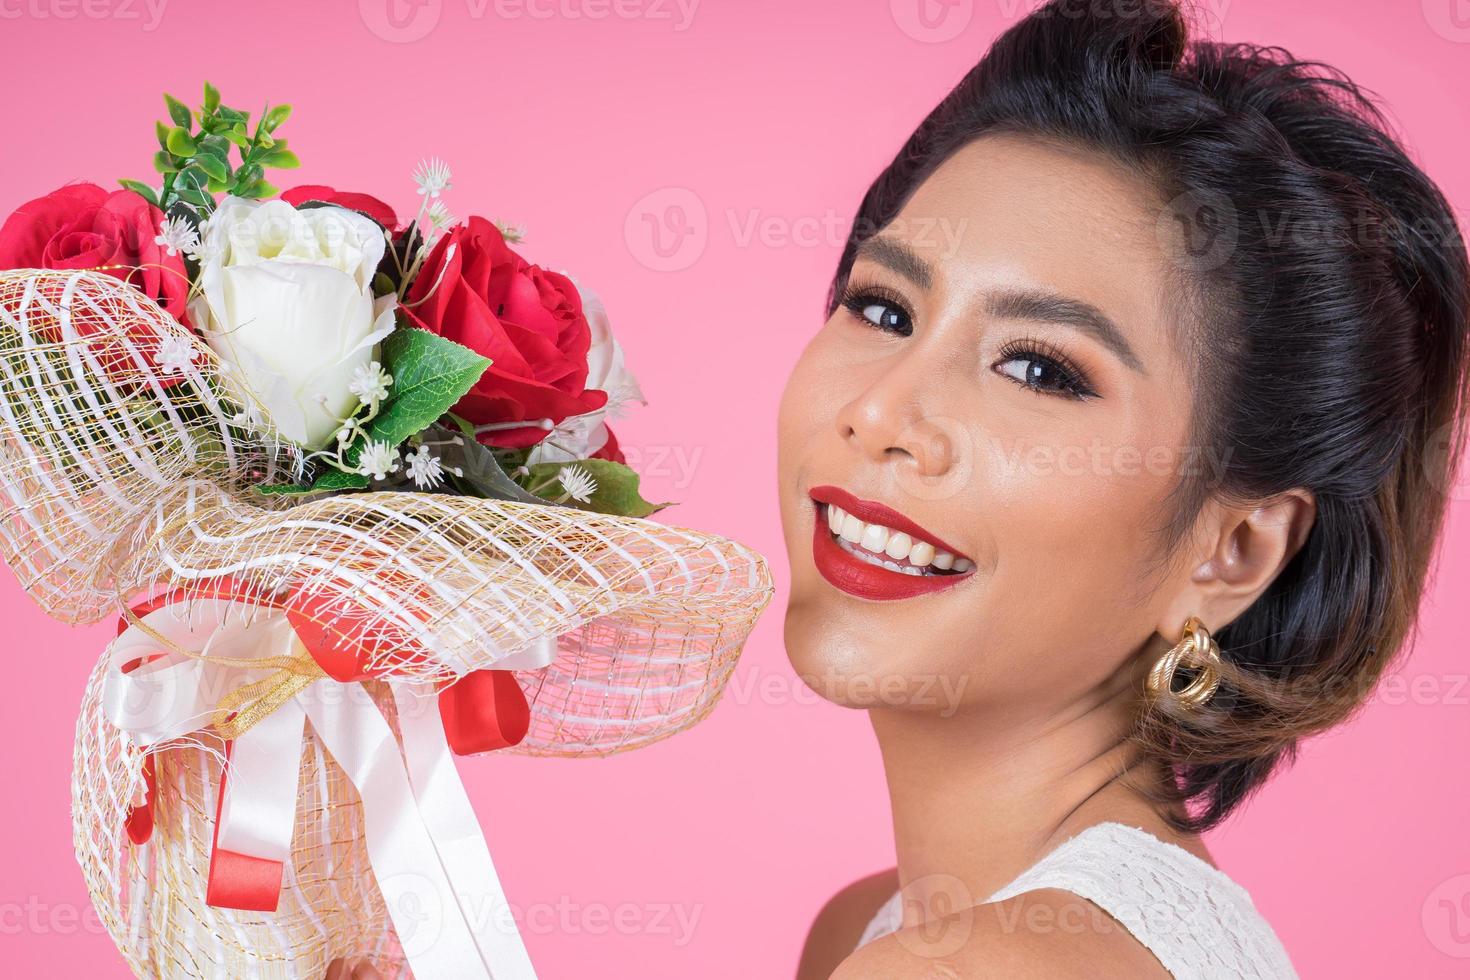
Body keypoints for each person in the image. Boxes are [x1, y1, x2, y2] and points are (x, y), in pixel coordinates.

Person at [778, 1, 1468, 977]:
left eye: (1039, 370)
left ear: (1233, 552)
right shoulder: (884, 931)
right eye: (882, 306)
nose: (883, 412)